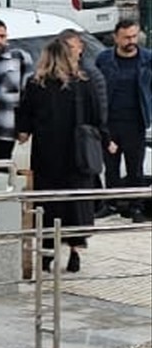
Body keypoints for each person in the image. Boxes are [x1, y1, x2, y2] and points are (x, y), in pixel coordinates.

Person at [17, 31, 106, 272]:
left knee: (48, 204)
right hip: (78, 157)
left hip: (47, 157)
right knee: (76, 203)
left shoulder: (36, 85)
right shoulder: (84, 84)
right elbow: (97, 118)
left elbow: (24, 123)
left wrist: (24, 132)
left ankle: (47, 254)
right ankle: (76, 251)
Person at [95, 18, 151, 223]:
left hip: (135, 121)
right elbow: (97, 87)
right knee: (110, 166)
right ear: (116, 38)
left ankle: (136, 207)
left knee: (134, 167)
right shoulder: (104, 59)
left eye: (134, 36)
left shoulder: (147, 59)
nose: (131, 41)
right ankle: (110, 204)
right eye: (126, 37)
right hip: (110, 121)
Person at [0, 18, 34, 159]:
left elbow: (28, 95)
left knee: (1, 172)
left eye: (2, 36)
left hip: (5, 127)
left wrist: (24, 127)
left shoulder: (19, 58)